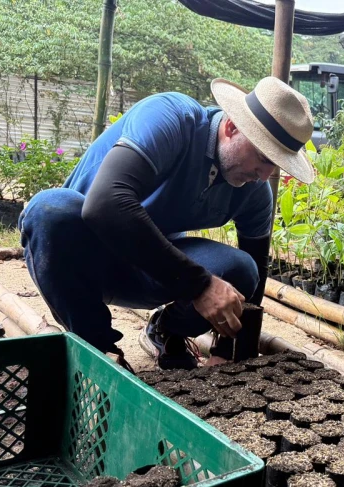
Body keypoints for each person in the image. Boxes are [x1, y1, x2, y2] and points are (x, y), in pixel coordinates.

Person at [18, 77, 315, 370]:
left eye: (274, 166)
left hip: (152, 270)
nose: (264, 176)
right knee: (48, 210)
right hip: (82, 262)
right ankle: (97, 346)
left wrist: (227, 349)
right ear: (231, 126)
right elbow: (103, 205)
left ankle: (167, 329)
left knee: (242, 269)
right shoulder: (171, 117)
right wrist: (200, 284)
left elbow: (257, 272)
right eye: (263, 158)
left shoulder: (254, 191)